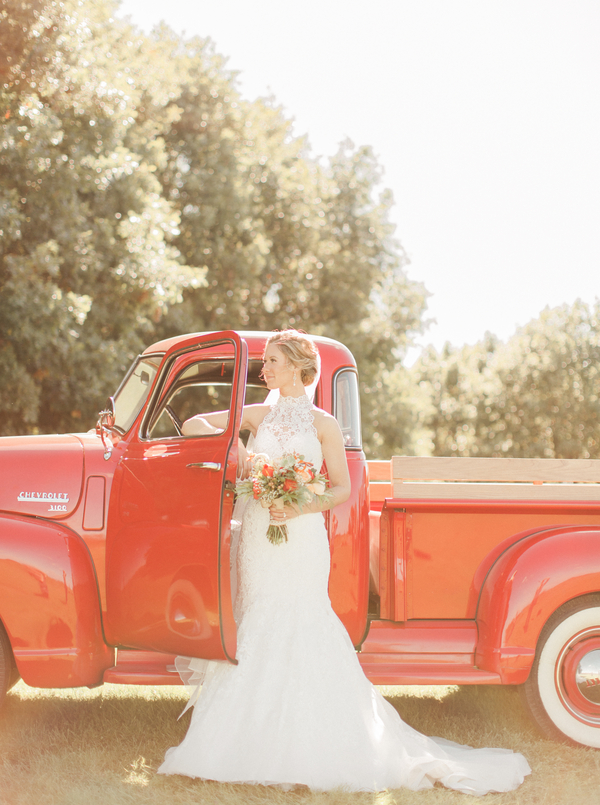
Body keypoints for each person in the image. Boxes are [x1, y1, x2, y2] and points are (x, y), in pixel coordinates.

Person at [158, 329, 531, 794]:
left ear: (296, 367)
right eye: (265, 362)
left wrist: (297, 505)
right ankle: (243, 740)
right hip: (259, 534)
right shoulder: (260, 415)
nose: (263, 370)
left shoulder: (323, 425)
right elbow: (194, 425)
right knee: (257, 620)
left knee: (300, 619)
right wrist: (246, 457)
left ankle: (316, 738)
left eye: (272, 361)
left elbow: (342, 489)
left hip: (300, 536)